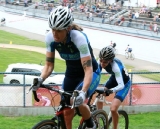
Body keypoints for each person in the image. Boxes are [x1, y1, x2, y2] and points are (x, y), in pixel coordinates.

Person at [33, 6, 100, 129]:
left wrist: (83, 92)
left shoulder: (79, 38)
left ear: (68, 28)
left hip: (90, 73)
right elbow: (49, 65)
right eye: (52, 29)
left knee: (77, 101)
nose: (54, 33)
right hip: (71, 74)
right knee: (66, 109)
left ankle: (91, 125)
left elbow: (88, 69)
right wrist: (40, 79)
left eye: (59, 30)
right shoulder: (50, 38)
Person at [97, 46, 131, 129]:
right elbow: (95, 74)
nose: (102, 63)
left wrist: (110, 91)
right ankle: (98, 122)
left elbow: (121, 85)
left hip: (124, 84)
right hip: (114, 79)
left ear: (110, 60)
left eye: (105, 62)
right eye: (101, 60)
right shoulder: (100, 61)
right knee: (99, 97)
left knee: (113, 109)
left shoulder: (116, 66)